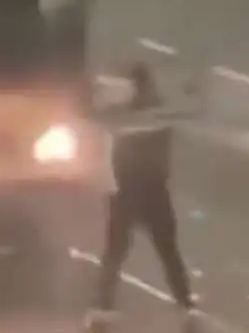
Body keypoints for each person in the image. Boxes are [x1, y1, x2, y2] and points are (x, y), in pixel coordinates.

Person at [85, 62, 197, 331]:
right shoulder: (156, 113)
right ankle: (184, 305)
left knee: (119, 251)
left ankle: (103, 306)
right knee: (163, 251)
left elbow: (104, 122)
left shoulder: (135, 114)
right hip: (150, 190)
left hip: (133, 190)